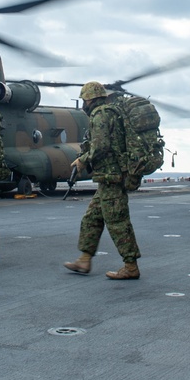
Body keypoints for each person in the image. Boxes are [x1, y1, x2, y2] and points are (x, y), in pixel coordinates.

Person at [63, 81, 142, 280]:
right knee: (92, 218)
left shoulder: (100, 115)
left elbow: (100, 146)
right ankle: (84, 259)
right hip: (108, 177)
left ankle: (130, 266)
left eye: (84, 100)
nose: (84, 105)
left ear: (90, 99)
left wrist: (82, 160)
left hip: (112, 177)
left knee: (117, 222)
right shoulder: (113, 112)